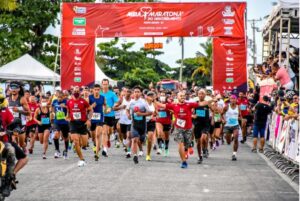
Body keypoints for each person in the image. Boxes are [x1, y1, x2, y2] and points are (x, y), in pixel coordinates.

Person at [155, 91, 215, 168]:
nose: (182, 97)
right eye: (181, 96)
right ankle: (183, 161)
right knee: (181, 144)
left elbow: (202, 103)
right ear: (177, 97)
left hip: (188, 128)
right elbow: (162, 105)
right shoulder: (174, 105)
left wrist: (212, 100)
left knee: (186, 145)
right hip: (178, 128)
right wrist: (154, 101)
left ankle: (188, 148)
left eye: (183, 96)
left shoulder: (189, 104)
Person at [66, 87, 92, 167]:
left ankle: (87, 134)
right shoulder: (69, 101)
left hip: (83, 123)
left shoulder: (84, 101)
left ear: (80, 92)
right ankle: (81, 159)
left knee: (84, 144)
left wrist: (89, 119)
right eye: (75, 91)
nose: (76, 92)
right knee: (76, 141)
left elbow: (90, 110)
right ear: (72, 92)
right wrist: (67, 117)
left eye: (78, 91)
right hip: (73, 123)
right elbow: (68, 111)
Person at [126, 86, 152, 164]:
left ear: (140, 93)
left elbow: (150, 112)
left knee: (141, 140)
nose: (136, 93)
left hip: (142, 125)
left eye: (138, 92)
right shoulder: (131, 102)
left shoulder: (144, 102)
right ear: (133, 93)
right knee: (134, 139)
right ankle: (135, 156)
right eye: (135, 92)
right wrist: (128, 115)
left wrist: (141, 114)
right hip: (134, 124)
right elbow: (127, 110)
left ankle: (141, 147)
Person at [192, 89, 213, 164]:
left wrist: (214, 118)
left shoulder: (207, 103)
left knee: (203, 137)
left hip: (205, 124)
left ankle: (205, 149)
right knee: (198, 142)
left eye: (202, 94)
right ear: (197, 95)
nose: (201, 95)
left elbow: (214, 111)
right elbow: (190, 112)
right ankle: (199, 155)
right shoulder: (195, 103)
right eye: (199, 93)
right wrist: (193, 115)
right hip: (197, 124)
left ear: (205, 95)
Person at [100, 79, 119, 157]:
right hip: (102, 116)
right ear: (102, 85)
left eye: (106, 84)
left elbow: (117, 102)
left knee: (109, 132)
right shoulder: (99, 93)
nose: (105, 86)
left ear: (108, 85)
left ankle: (109, 138)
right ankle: (105, 149)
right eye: (103, 84)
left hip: (111, 115)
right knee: (104, 132)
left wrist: (113, 107)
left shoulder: (112, 94)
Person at [88, 84, 106, 161]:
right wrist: (91, 106)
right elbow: (86, 108)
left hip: (100, 118)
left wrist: (107, 110)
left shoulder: (102, 98)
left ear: (100, 90)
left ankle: (97, 154)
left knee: (98, 135)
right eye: (95, 89)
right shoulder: (90, 97)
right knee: (93, 137)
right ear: (93, 90)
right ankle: (95, 145)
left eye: (98, 90)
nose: (96, 91)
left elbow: (105, 106)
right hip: (92, 118)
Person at [113, 88, 132, 158]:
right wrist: (121, 107)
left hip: (130, 121)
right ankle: (124, 144)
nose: (128, 93)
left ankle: (129, 151)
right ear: (124, 92)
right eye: (127, 91)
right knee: (124, 136)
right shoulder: (121, 100)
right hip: (122, 121)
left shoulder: (133, 101)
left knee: (129, 135)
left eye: (130, 92)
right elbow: (114, 108)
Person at [222, 95, 241, 161]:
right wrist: (223, 119)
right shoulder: (227, 107)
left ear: (236, 100)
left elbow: (240, 116)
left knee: (236, 138)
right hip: (227, 125)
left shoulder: (238, 107)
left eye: (234, 99)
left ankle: (234, 154)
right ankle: (231, 137)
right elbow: (221, 114)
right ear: (229, 100)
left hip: (235, 125)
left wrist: (242, 119)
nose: (233, 100)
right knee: (228, 142)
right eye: (231, 99)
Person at [51, 91, 70, 159]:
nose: (59, 98)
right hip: (57, 122)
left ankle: (66, 151)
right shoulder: (54, 101)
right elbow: (52, 107)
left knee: (66, 138)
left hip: (64, 122)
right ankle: (57, 151)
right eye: (58, 97)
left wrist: (65, 106)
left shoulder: (66, 102)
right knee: (56, 135)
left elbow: (70, 109)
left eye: (61, 97)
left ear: (63, 97)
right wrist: (53, 113)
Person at [155, 91, 172, 158]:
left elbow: (173, 111)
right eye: (161, 95)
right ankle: (159, 147)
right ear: (159, 96)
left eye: (163, 95)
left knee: (166, 137)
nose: (162, 96)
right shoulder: (157, 103)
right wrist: (156, 113)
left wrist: (170, 109)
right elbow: (154, 110)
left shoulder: (168, 103)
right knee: (159, 133)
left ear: (166, 96)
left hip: (167, 122)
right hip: (159, 121)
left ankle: (166, 148)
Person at [145, 91, 156, 161]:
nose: (151, 97)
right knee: (139, 139)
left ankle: (148, 154)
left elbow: (158, 113)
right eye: (150, 96)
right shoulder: (143, 104)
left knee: (150, 138)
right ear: (147, 97)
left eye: (152, 96)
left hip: (151, 123)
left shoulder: (155, 104)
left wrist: (155, 116)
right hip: (143, 122)